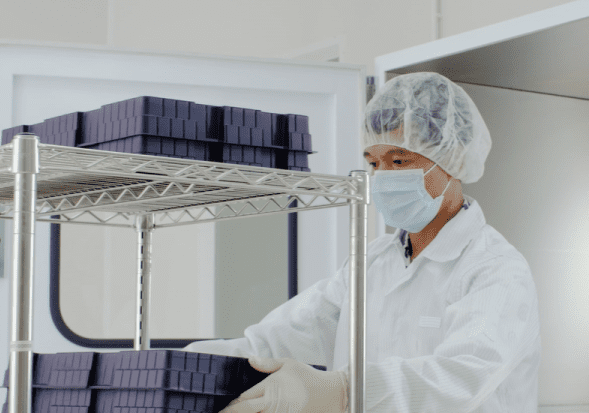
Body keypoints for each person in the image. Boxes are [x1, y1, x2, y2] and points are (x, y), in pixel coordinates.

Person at [184, 72, 541, 412]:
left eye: (399, 160)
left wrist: (343, 391)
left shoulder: (494, 269)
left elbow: (462, 377)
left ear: (454, 160)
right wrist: (180, 365)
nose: (381, 178)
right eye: (373, 163)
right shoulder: (372, 261)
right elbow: (275, 341)